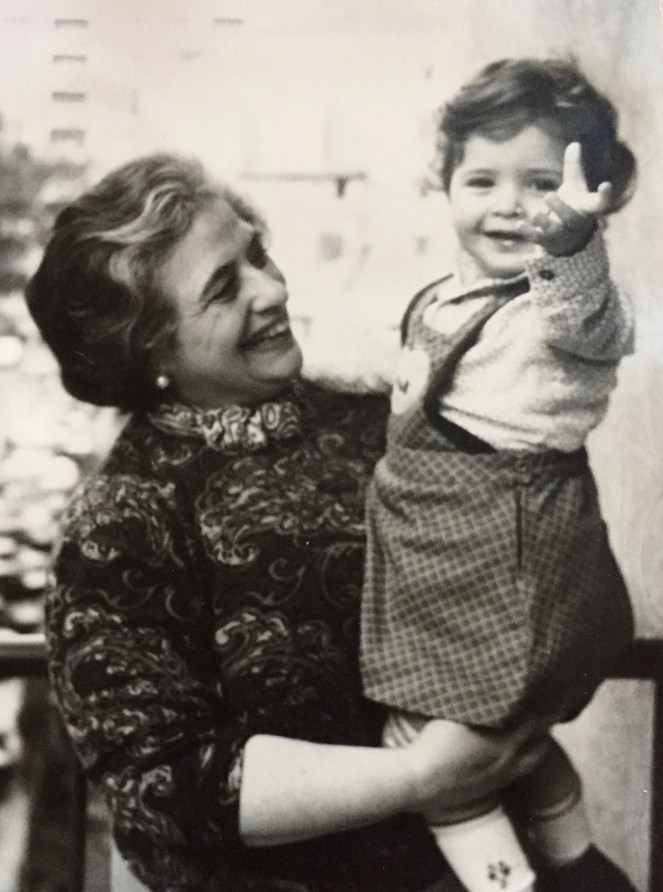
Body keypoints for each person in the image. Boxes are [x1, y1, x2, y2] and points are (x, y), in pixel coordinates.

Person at [25, 153, 554, 892]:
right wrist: (420, 777)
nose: (271, 290)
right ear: (149, 347)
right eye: (223, 287)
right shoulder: (121, 520)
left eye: (258, 253)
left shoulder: (378, 411)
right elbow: (163, 781)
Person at [360, 58, 638, 892]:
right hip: (455, 562)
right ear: (443, 185)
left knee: (421, 744)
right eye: (481, 180)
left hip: (507, 568)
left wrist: (572, 242)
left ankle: (506, 885)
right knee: (509, 738)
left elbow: (580, 310)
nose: (512, 205)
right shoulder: (449, 295)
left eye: (543, 184)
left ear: (594, 196)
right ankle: (576, 862)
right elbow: (404, 376)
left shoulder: (564, 310)